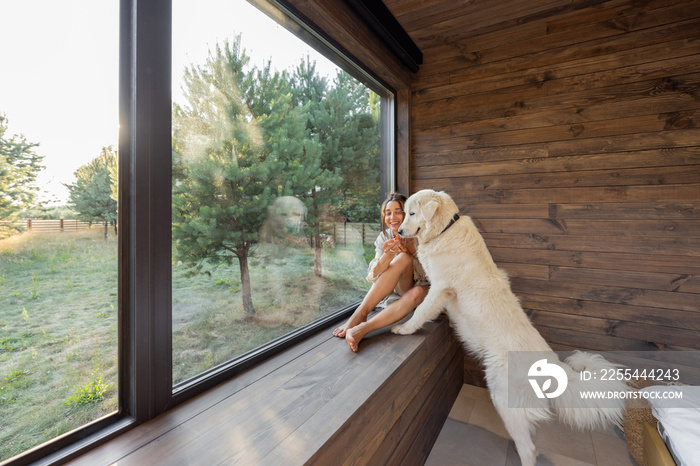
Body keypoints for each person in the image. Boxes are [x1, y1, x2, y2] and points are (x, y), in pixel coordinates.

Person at [333, 192, 430, 352]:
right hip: (403, 288)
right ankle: (360, 314)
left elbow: (436, 272)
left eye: (398, 212)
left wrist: (412, 252)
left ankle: (364, 328)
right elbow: (372, 276)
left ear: (408, 213)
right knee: (402, 259)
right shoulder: (385, 236)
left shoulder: (423, 235)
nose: (393, 217)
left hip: (427, 287)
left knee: (417, 290)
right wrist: (388, 255)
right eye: (388, 213)